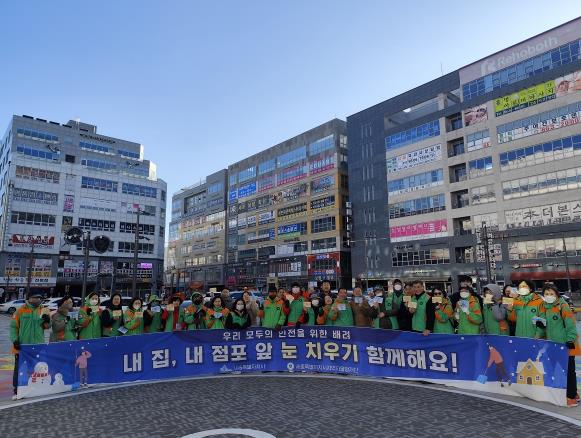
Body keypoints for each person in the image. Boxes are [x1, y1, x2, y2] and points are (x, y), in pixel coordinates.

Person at [540, 283, 580, 407]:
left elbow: (571, 324)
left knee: (568, 371)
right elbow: (545, 325)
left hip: (565, 344)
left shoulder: (563, 306)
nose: (549, 296)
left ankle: (571, 396)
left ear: (557, 294)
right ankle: (569, 393)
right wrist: (541, 326)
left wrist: (570, 339)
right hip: (552, 345)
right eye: (546, 294)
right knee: (554, 369)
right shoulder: (544, 307)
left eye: (551, 293)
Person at [10, 291, 50, 399]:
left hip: (37, 346)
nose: (38, 300)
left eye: (40, 298)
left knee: (35, 368)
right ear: (29, 298)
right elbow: (13, 327)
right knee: (19, 368)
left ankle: (33, 387)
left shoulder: (43, 310)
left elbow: (47, 326)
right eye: (35, 297)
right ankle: (17, 390)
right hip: (22, 346)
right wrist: (15, 340)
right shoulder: (20, 310)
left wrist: (47, 320)